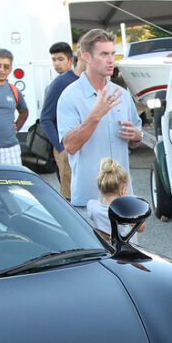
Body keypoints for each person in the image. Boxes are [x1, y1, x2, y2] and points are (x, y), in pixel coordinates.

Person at [57, 29, 143, 221]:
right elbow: (70, 146)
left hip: (123, 197)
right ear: (86, 57)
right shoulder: (70, 96)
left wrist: (136, 136)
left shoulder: (121, 93)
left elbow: (137, 137)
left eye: (112, 53)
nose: (111, 59)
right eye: (104, 54)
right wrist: (95, 115)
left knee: (129, 251)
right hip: (89, 200)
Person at [39, 41, 79, 198]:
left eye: (60, 59)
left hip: (81, 141)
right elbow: (46, 118)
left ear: (70, 60)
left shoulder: (79, 79)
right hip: (64, 144)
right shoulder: (58, 83)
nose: (56, 63)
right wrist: (60, 147)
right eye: (54, 60)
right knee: (69, 191)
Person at [84, 157, 144, 243]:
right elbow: (141, 227)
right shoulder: (126, 211)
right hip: (128, 251)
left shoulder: (92, 206)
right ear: (123, 190)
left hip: (107, 249)